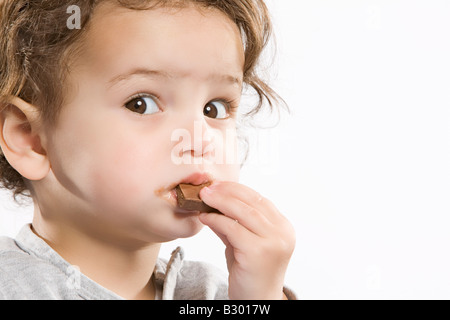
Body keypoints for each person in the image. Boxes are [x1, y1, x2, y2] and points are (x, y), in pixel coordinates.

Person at [0, 0, 296, 300]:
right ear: (32, 140)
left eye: (214, 108)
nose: (198, 138)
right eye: (141, 104)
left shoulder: (222, 293)